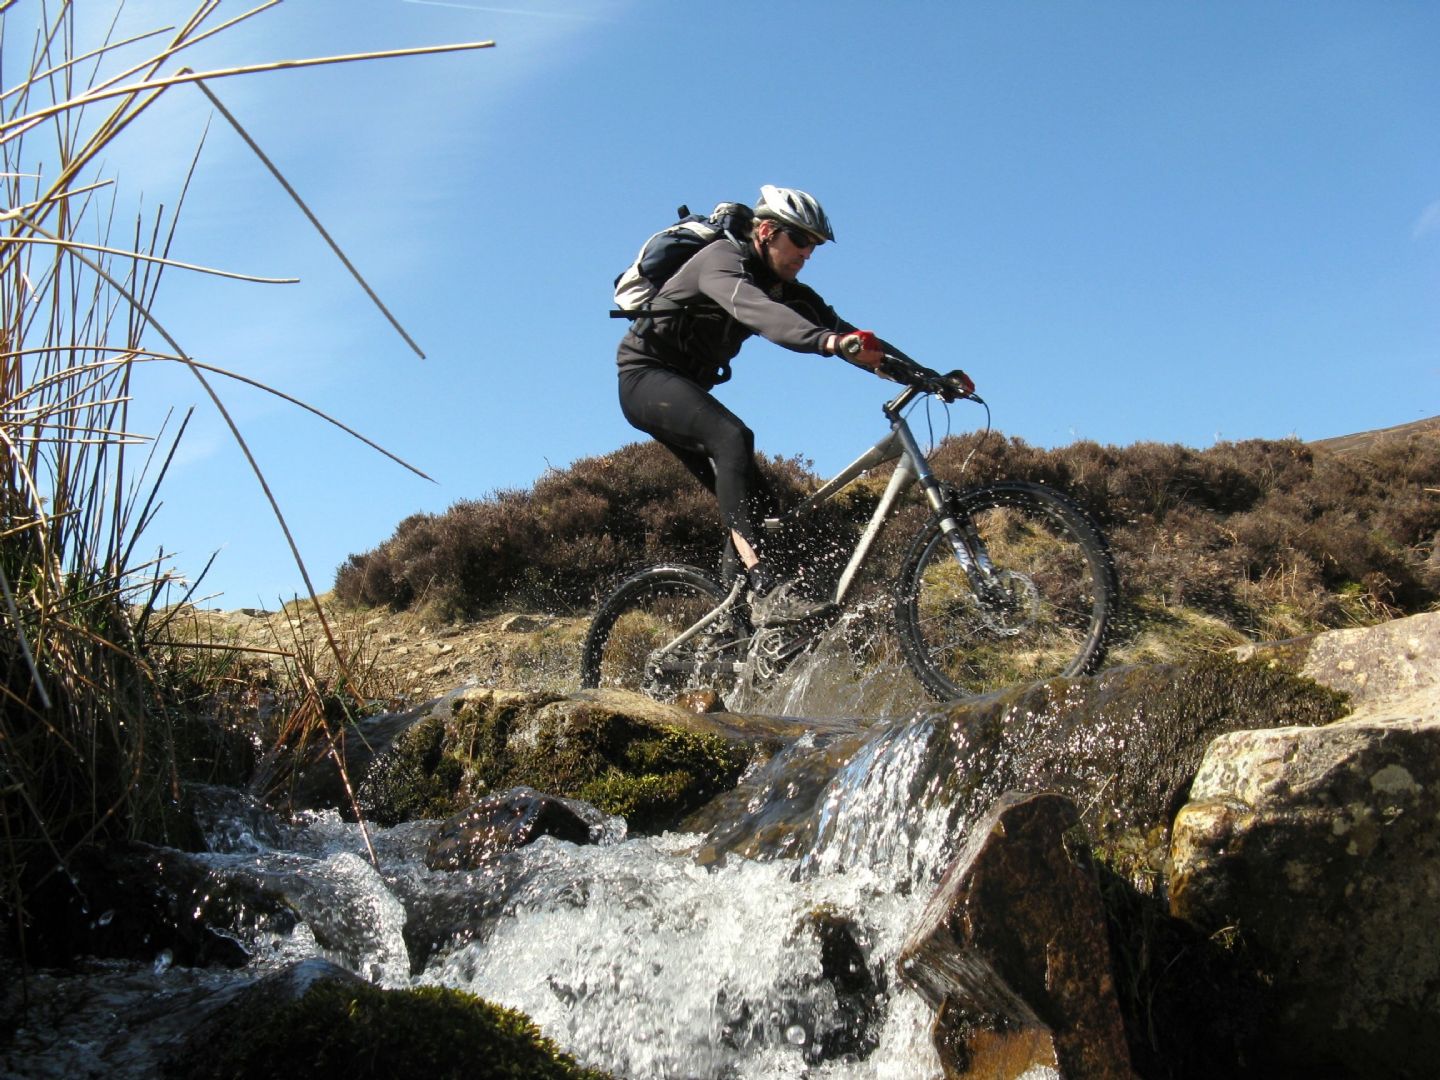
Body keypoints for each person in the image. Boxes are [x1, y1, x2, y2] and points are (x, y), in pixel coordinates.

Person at [615, 185, 890, 627]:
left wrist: (927, 376)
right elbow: (761, 313)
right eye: (800, 242)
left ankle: (731, 628)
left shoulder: (787, 288)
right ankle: (764, 587)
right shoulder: (720, 261)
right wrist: (827, 342)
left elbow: (854, 336)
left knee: (763, 503)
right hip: (645, 378)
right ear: (766, 231)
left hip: (687, 388)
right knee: (733, 438)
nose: (807, 254)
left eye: (813, 247)